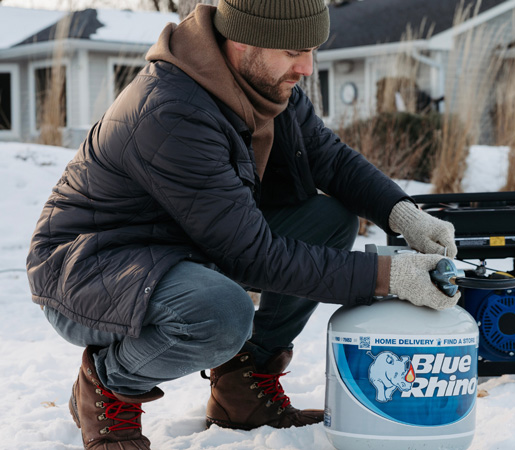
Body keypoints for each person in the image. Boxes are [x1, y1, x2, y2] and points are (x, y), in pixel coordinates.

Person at [25, 1, 460, 448]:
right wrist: (390, 277)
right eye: (293, 52)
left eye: (311, 50)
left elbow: (329, 159)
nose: (306, 67)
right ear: (243, 39)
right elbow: (251, 255)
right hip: (92, 266)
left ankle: (241, 383)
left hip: (179, 247)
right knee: (221, 315)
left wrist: (403, 214)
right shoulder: (172, 110)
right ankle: (107, 383)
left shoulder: (262, 85)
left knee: (328, 219)